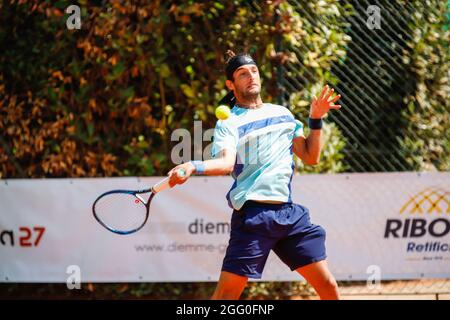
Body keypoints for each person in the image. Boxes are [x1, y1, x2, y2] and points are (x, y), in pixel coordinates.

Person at [168, 51, 342, 300]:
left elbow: (310, 156)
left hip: (288, 215)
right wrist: (194, 166)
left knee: (328, 286)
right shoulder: (228, 123)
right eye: (242, 73)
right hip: (253, 217)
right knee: (227, 295)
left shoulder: (282, 113)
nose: (251, 76)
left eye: (254, 71)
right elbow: (226, 163)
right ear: (231, 84)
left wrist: (315, 119)